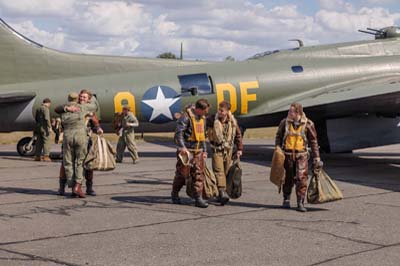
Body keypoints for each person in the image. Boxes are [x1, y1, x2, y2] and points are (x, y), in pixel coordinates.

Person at [275, 102, 321, 212]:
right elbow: (278, 136)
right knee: (288, 179)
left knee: (302, 179)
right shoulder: (284, 123)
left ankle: (300, 202)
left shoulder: (308, 124)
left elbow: (313, 141)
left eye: (291, 111)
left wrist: (317, 158)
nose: (289, 113)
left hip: (302, 156)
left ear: (297, 113)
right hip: (287, 155)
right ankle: (286, 199)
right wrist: (277, 149)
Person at [56, 90, 102, 196]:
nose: (82, 99)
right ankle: (63, 187)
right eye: (81, 97)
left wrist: (98, 128)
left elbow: (95, 122)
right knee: (65, 163)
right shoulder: (74, 107)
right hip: (73, 137)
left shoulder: (88, 109)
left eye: (84, 97)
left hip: (86, 138)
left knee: (88, 164)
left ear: (88, 99)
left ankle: (88, 187)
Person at [171, 99, 210, 208]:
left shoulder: (202, 119)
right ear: (198, 109)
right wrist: (182, 147)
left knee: (199, 175)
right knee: (182, 175)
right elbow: (178, 134)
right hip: (186, 151)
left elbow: (203, 136)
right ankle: (174, 194)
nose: (206, 113)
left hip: (198, 151)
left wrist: (205, 150)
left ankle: (198, 198)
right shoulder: (185, 117)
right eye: (204, 111)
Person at [207, 101, 243, 205]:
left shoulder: (232, 121)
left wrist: (239, 149)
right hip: (216, 149)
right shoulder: (212, 119)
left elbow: (238, 135)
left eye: (222, 110)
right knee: (219, 171)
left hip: (228, 150)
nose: (219, 112)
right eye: (219, 109)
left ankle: (221, 193)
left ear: (227, 112)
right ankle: (222, 192)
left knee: (226, 171)